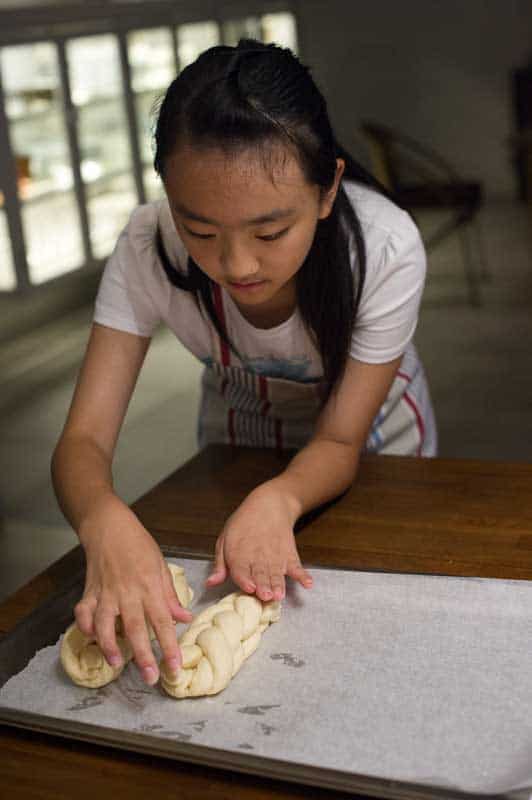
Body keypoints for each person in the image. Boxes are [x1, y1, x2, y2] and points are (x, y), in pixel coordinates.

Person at [52, 39, 437, 688]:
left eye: (269, 232)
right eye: (200, 231)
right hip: (240, 442)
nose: (237, 265)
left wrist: (282, 496)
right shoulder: (147, 248)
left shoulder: (383, 248)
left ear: (327, 190)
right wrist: (102, 519)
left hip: (372, 446)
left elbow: (339, 441)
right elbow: (82, 441)